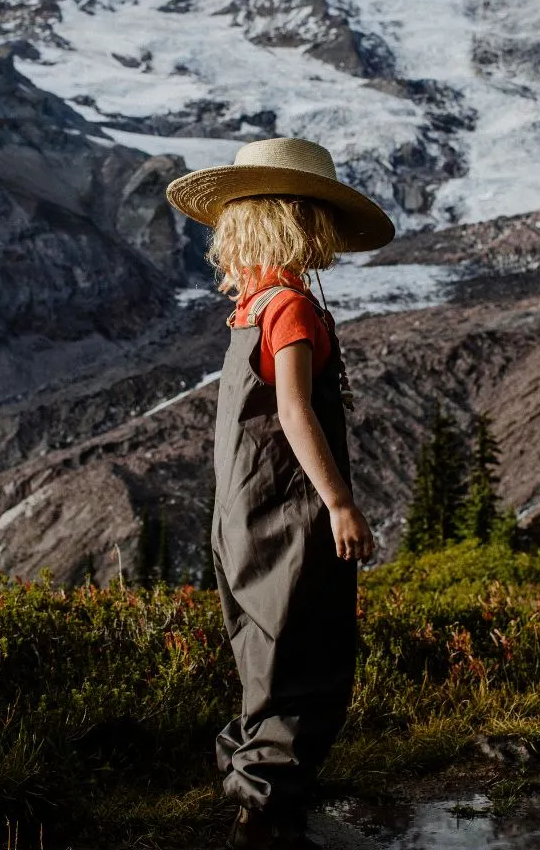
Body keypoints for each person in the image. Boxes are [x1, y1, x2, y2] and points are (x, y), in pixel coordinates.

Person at [165, 136, 395, 849]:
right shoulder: (290, 309)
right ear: (297, 222)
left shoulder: (250, 309)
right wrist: (340, 504)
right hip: (292, 515)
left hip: (241, 513)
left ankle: (255, 791)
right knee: (308, 655)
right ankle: (267, 817)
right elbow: (294, 412)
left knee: (262, 653)